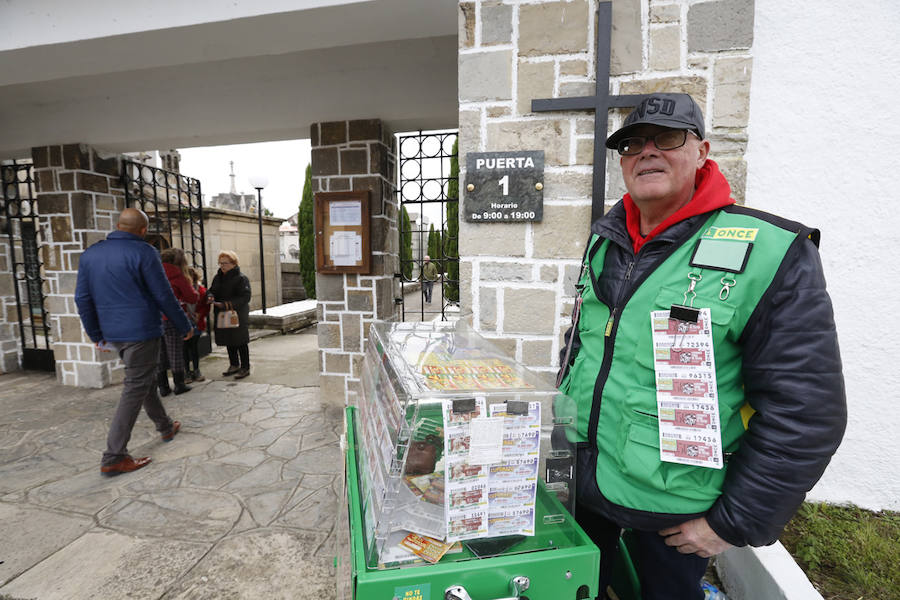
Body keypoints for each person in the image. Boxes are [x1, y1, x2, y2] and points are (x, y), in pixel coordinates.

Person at [556, 93, 846, 600]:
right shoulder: (605, 240)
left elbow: (807, 411)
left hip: (678, 517)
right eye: (630, 143)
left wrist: (732, 524)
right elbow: (582, 346)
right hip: (585, 489)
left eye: (667, 138)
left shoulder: (773, 251)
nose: (646, 152)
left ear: (703, 151)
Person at [75, 208, 193, 476]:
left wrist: (95, 333)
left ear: (118, 226)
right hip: (141, 331)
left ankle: (165, 426)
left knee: (144, 379)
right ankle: (114, 455)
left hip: (113, 333)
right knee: (135, 386)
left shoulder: (90, 254)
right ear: (143, 231)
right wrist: (184, 325)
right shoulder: (144, 252)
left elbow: (82, 298)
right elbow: (163, 295)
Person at [158, 248, 199, 395]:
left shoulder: (153, 272)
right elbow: (192, 297)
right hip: (172, 317)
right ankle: (179, 384)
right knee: (175, 351)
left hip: (154, 318)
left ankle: (162, 386)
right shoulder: (177, 274)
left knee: (160, 352)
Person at [207, 250, 252, 379]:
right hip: (222, 314)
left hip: (237, 313)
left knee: (240, 340)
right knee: (228, 339)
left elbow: (245, 297)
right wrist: (210, 296)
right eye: (220, 263)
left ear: (233, 263)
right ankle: (234, 364)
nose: (222, 266)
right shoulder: (218, 277)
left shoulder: (241, 279)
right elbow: (211, 290)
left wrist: (226, 304)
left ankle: (245, 367)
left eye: (225, 263)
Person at [183, 266, 209, 383]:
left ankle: (196, 370)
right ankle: (187, 372)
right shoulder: (180, 290)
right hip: (183, 323)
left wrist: (201, 314)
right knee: (184, 348)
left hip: (196, 322)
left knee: (194, 347)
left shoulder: (202, 291)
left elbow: (206, 306)